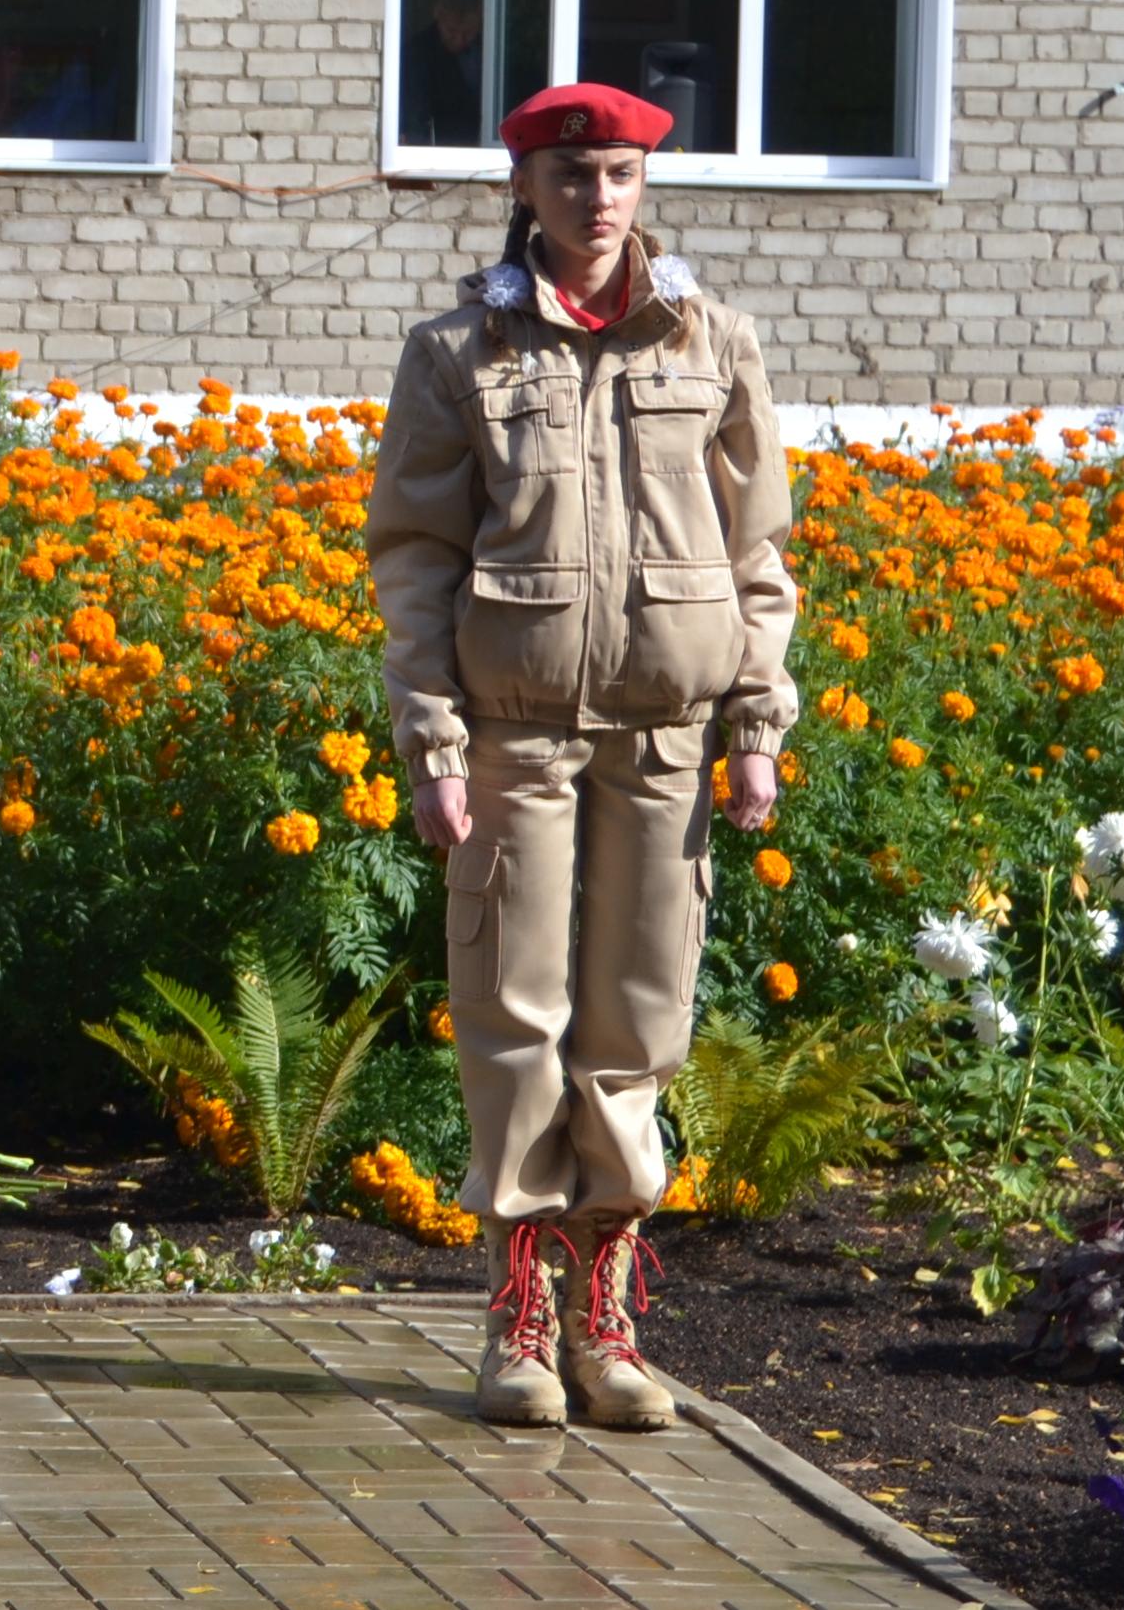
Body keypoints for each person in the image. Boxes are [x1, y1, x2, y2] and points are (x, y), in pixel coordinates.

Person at [360, 81, 799, 1432]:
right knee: (514, 1015)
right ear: (525, 188)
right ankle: (519, 1316)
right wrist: (433, 743)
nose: (595, 199)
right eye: (569, 176)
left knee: (638, 1021)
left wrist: (756, 722)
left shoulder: (713, 341)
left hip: (666, 739)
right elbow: (415, 560)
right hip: (516, 736)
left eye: (616, 174)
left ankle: (606, 1317)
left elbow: (757, 555)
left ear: (643, 185)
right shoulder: (460, 351)